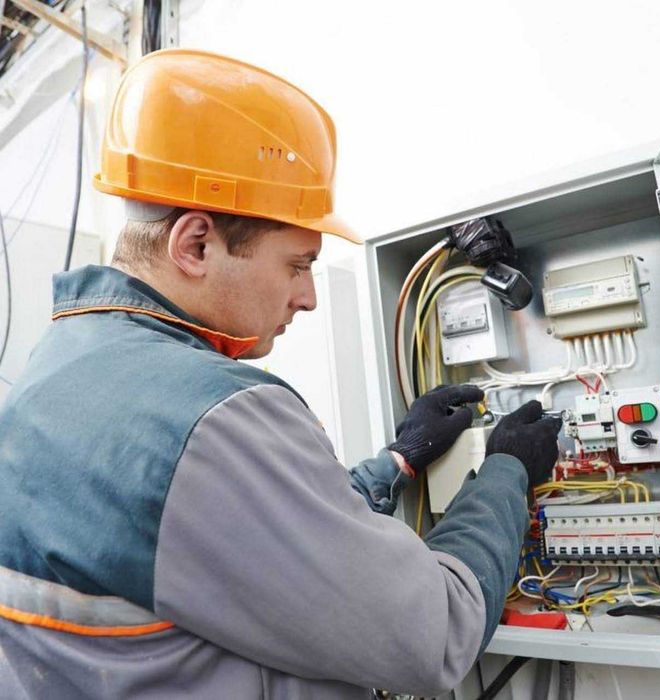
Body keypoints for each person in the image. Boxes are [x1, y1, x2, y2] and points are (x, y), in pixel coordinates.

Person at [0, 49, 561, 698]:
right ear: (196, 244)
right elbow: (436, 632)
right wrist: (507, 472)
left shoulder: (55, 371)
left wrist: (398, 460)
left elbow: (243, 545)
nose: (309, 298)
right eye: (298, 265)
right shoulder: (214, 415)